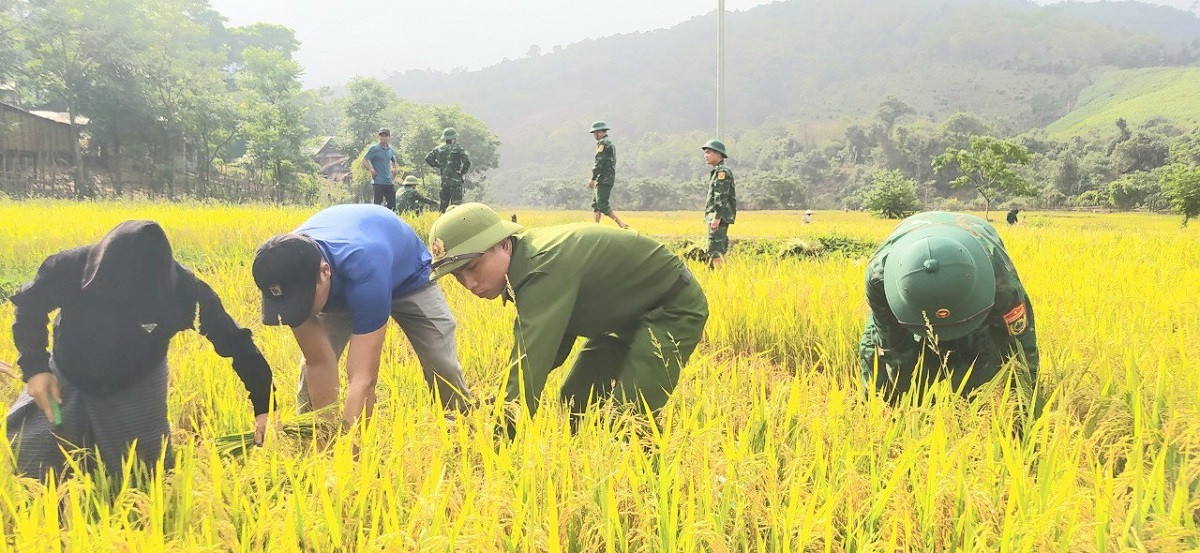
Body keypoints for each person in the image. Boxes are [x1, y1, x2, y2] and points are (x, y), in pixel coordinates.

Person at [7, 221, 274, 480]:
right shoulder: (70, 267)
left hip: (138, 379)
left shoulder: (184, 290)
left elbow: (236, 342)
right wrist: (36, 368)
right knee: (31, 456)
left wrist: (265, 407)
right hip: (69, 369)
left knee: (143, 474)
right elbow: (30, 305)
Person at [427, 203, 707, 431]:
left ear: (503, 244)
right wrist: (498, 401)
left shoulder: (542, 268)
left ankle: (649, 485)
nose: (471, 284)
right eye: (458, 276)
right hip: (619, 315)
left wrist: (498, 433)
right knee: (576, 399)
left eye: (473, 267)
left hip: (671, 309)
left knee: (630, 417)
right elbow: (549, 348)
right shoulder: (524, 267)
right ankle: (588, 468)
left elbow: (530, 362)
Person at [252, 204, 470, 428]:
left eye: (302, 302)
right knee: (310, 383)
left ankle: (463, 424)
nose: (299, 312)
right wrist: (324, 437)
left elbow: (363, 378)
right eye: (292, 305)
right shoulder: (286, 267)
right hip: (342, 283)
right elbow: (318, 362)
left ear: (325, 272)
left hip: (406, 278)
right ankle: (309, 437)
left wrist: (351, 454)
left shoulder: (364, 266)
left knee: (441, 363)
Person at [859, 211, 1039, 403]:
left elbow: (1020, 345)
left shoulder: (999, 279)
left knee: (981, 359)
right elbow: (892, 345)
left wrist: (1024, 403)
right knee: (876, 362)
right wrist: (904, 399)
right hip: (905, 277)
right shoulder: (880, 277)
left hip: (973, 268)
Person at [586, 121, 629, 229]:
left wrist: (592, 179)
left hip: (605, 179)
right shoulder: (608, 143)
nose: (594, 136)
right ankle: (596, 226)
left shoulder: (604, 144)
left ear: (599, 132)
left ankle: (621, 224)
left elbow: (599, 162)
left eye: (595, 133)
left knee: (602, 205)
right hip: (603, 178)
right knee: (596, 204)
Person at [702, 139, 737, 269]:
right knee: (716, 248)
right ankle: (716, 278)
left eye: (708, 152)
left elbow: (721, 196)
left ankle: (720, 278)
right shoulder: (718, 171)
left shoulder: (722, 172)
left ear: (718, 154)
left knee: (715, 249)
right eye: (705, 153)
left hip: (718, 217)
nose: (706, 155)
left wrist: (716, 218)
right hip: (718, 216)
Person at [424, 128, 471, 212]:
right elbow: (467, 162)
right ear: (453, 138)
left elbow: (428, 158)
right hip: (456, 180)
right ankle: (456, 223)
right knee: (456, 206)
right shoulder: (458, 148)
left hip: (444, 180)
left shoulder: (438, 149)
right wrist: (462, 172)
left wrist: (439, 166)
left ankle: (441, 223)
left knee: (443, 205)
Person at [362, 128, 401, 211]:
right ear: (379, 137)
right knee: (377, 205)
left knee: (392, 205)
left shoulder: (390, 149)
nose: (383, 137)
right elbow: (364, 160)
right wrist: (371, 169)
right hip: (378, 181)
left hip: (389, 181)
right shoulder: (374, 149)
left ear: (389, 137)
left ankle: (389, 222)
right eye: (381, 136)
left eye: (385, 135)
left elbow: (393, 159)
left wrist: (394, 169)